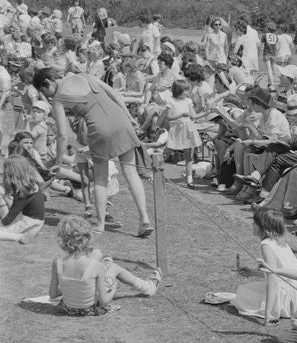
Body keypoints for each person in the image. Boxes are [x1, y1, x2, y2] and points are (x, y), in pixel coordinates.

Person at [32, 67, 153, 237]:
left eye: (45, 92)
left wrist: (58, 163)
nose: (48, 96)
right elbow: (116, 95)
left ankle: (101, 224)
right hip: (122, 121)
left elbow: (62, 135)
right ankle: (144, 219)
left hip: (99, 130)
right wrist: (130, 118)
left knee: (100, 179)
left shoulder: (58, 99)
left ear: (48, 83)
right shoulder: (85, 75)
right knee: (131, 172)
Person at [48, 214, 159, 314]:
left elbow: (52, 295)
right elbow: (104, 301)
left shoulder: (57, 263)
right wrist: (114, 289)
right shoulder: (95, 266)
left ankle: (106, 264)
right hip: (90, 308)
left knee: (98, 258)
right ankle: (147, 287)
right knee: (114, 268)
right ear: (87, 237)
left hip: (69, 308)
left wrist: (70, 286)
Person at [231, 208, 297, 325]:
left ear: (263, 227)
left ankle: (275, 309)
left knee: (243, 293)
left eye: (255, 222)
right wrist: (251, 272)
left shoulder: (266, 245)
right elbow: (278, 272)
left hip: (292, 302)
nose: (252, 224)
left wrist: (268, 314)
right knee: (248, 292)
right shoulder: (280, 241)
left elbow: (273, 279)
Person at [0, 154, 46, 243]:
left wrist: (2, 223)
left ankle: (20, 237)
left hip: (29, 223)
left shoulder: (24, 193)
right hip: (35, 221)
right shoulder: (31, 185)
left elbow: (11, 216)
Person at [164, 80, 202, 188]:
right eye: (185, 90)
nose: (187, 92)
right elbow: (169, 117)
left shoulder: (188, 101)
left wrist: (208, 111)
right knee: (167, 151)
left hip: (187, 128)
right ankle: (157, 171)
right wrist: (181, 114)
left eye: (187, 90)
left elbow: (193, 115)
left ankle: (189, 179)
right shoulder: (171, 101)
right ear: (178, 90)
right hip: (176, 128)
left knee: (188, 154)